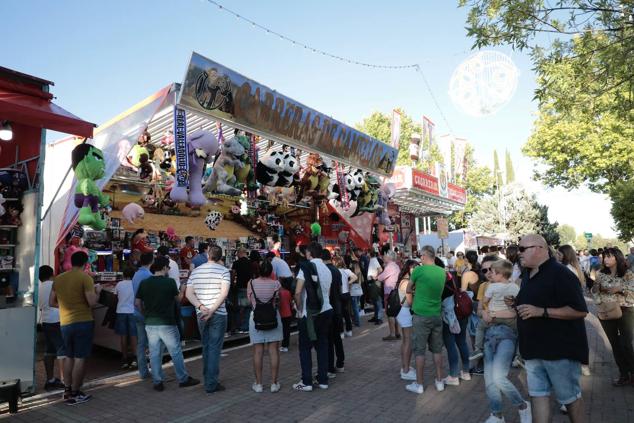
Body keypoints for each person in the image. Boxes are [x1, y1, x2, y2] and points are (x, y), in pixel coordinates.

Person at [513, 234, 588, 423]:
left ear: (539, 248)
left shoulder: (561, 274)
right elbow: (535, 302)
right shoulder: (528, 274)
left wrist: (541, 311)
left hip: (559, 351)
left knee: (570, 399)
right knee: (537, 395)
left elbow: (579, 310)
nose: (518, 253)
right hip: (533, 349)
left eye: (522, 249)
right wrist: (516, 303)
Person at [135, 257, 199, 391]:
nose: (169, 270)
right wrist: (182, 289)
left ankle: (157, 381)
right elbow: (179, 299)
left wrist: (145, 314)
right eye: (168, 267)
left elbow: (137, 303)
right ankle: (183, 378)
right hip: (167, 323)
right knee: (175, 351)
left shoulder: (144, 283)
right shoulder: (169, 282)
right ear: (164, 267)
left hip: (150, 323)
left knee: (154, 352)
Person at [480, 264, 531, 423]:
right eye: (485, 270)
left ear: (500, 273)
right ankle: (497, 414)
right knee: (489, 380)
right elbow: (480, 309)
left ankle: (522, 406)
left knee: (498, 377)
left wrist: (492, 313)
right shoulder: (487, 287)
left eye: (490, 270)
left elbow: (515, 312)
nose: (488, 273)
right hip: (489, 335)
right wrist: (485, 313)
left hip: (507, 335)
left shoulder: (514, 288)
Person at [49, 251, 102, 405]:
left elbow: (51, 302)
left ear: (71, 262)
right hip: (83, 321)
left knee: (68, 356)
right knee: (80, 357)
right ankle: (75, 392)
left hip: (65, 322)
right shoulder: (86, 278)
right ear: (86, 263)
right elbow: (92, 302)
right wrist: (97, 292)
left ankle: (67, 390)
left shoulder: (58, 279)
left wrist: (67, 307)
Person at [186, 245, 231, 393]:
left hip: (201, 313)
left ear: (208, 255)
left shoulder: (196, 271)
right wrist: (212, 310)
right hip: (218, 313)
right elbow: (224, 294)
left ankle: (208, 379)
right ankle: (211, 383)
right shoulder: (224, 271)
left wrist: (200, 306)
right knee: (214, 348)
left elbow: (189, 294)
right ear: (220, 257)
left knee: (206, 346)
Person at [405, 245, 447, 394]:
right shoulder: (442, 272)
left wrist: (411, 303)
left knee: (419, 351)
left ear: (423, 256)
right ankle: (440, 381)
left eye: (420, 256)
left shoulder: (418, 270)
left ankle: (419, 384)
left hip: (421, 314)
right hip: (436, 314)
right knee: (437, 350)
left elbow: (408, 289)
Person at [292, 242, 333, 392]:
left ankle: (307, 381)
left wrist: (299, 307)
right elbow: (326, 292)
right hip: (326, 310)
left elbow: (298, 292)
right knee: (322, 345)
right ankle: (323, 380)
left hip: (309, 313)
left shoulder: (306, 268)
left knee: (305, 347)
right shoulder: (327, 269)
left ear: (309, 253)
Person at [592, 247, 634, 386]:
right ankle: (624, 375)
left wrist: (620, 289)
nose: (605, 259)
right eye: (604, 257)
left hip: (625, 310)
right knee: (615, 345)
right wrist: (596, 293)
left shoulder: (627, 274)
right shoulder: (600, 274)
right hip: (607, 311)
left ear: (617, 257)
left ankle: (632, 372)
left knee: (625, 344)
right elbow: (594, 292)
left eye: (609, 256)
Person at [469, 260, 519, 361]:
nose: (490, 274)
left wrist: (485, 304)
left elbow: (485, 301)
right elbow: (518, 300)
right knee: (520, 332)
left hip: (492, 318)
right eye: (485, 270)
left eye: (492, 272)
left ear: (500, 275)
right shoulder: (515, 286)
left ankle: (478, 349)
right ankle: (519, 355)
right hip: (510, 319)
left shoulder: (492, 286)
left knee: (480, 328)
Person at [247, 259, 283, 393]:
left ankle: (259, 384)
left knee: (258, 351)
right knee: (273, 350)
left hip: (256, 319)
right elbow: (278, 300)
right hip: (273, 318)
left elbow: (250, 300)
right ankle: (274, 383)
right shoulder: (276, 284)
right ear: (271, 272)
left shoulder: (251, 283)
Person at [439, 260, 472, 387]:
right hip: (461, 312)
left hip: (449, 316)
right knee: (462, 342)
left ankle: (453, 375)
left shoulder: (440, 280)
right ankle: (466, 372)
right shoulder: (452, 275)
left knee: (450, 344)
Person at [38, 265, 66, 390]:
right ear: (52, 274)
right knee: (62, 350)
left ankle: (50, 379)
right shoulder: (55, 285)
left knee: (49, 351)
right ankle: (65, 380)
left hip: (45, 321)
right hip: (57, 320)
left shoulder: (39, 288)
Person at [132, 252, 154, 380]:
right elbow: (146, 298)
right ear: (151, 261)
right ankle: (155, 370)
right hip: (144, 312)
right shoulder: (148, 275)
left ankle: (143, 372)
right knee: (153, 343)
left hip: (135, 311)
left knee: (141, 344)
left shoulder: (136, 274)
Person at [323, 249, 345, 375]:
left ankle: (330, 367)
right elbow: (340, 289)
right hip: (337, 306)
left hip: (328, 307)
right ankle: (340, 362)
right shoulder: (337, 271)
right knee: (337, 337)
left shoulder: (325, 271)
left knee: (329, 339)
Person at [396, 259, 418, 381]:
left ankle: (405, 366)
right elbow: (410, 302)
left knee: (405, 341)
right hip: (405, 312)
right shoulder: (406, 282)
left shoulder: (403, 280)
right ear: (410, 268)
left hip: (402, 312)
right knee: (408, 341)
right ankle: (405, 370)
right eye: (415, 268)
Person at [114, 266, 138, 369]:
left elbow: (115, 296)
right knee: (133, 336)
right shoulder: (135, 284)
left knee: (123, 336)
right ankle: (134, 359)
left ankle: (124, 359)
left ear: (124, 275)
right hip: (132, 312)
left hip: (121, 312)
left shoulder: (119, 284)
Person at [378, 251, 401, 340]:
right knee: (395, 313)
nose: (383, 257)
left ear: (389, 258)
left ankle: (392, 334)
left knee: (390, 313)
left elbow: (381, 277)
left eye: (385, 256)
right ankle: (397, 332)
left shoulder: (390, 266)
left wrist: (378, 274)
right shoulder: (395, 266)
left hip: (389, 292)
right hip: (395, 291)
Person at [231, 248, 254, 334]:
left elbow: (233, 274)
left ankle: (238, 326)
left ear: (240, 253)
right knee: (248, 308)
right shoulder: (250, 263)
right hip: (248, 287)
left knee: (239, 308)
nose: (236, 255)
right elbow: (253, 275)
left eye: (237, 254)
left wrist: (233, 284)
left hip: (240, 287)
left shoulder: (236, 263)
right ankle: (246, 326)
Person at [335, 256, 356, 336]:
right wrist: (349, 283)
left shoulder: (335, 271)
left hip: (339, 294)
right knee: (346, 312)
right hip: (347, 293)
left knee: (339, 314)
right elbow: (355, 277)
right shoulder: (346, 271)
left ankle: (341, 332)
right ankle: (349, 330)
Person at [367, 250, 383, 324]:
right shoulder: (372, 260)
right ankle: (376, 316)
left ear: (370, 254)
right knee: (375, 301)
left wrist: (376, 277)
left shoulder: (374, 260)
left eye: (367, 253)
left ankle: (379, 318)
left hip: (374, 283)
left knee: (377, 301)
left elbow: (380, 269)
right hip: (373, 282)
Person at [279, 276, 294, 352]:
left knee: (282, 330)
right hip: (288, 313)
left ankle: (283, 345)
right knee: (287, 330)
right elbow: (291, 303)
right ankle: (285, 345)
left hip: (281, 314)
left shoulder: (279, 292)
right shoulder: (288, 292)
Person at [348, 260, 364, 326]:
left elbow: (350, 283)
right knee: (357, 306)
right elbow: (362, 281)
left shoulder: (352, 272)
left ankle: (357, 322)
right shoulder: (359, 272)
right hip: (359, 290)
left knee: (354, 307)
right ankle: (357, 320)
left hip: (353, 291)